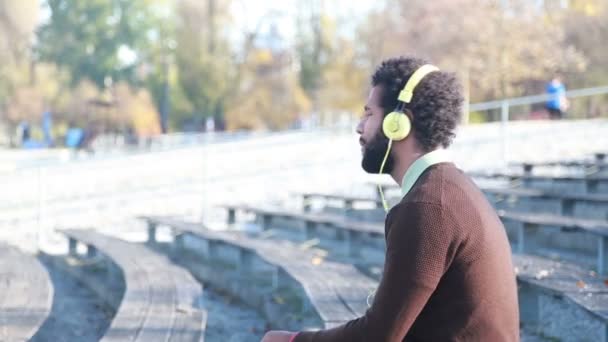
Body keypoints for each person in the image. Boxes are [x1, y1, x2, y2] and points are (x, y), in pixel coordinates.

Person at [261, 56, 519, 342]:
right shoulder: (447, 190)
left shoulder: (429, 207)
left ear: (399, 123)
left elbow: (378, 337)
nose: (359, 127)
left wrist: (292, 340)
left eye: (369, 114)